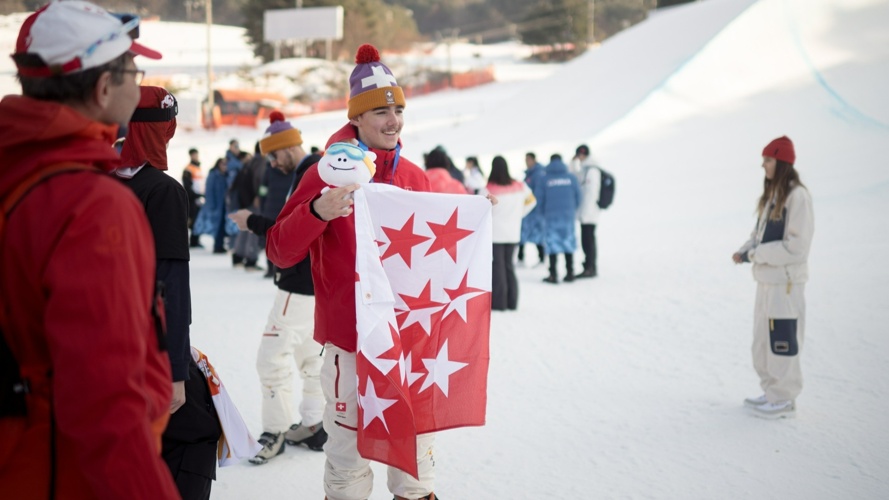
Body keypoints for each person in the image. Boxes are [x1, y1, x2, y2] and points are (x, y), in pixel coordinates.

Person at [0, 3, 179, 498]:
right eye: (132, 70)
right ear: (103, 89)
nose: (137, 82)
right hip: (60, 471)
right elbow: (105, 402)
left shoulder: (17, 167)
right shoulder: (93, 206)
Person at [266, 44, 437, 500]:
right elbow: (279, 251)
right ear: (357, 118)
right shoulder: (326, 174)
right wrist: (317, 211)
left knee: (416, 468)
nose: (393, 121)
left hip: (407, 346)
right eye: (381, 111)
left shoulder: (416, 178)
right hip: (349, 345)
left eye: (398, 109)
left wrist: (472, 225)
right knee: (347, 464)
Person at [117, 86, 222, 499]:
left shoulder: (97, 179)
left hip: (103, 345)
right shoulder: (162, 190)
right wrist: (175, 372)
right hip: (149, 349)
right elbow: (171, 287)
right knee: (198, 430)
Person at [228, 112, 327, 465]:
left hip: (297, 287)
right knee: (309, 358)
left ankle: (275, 430)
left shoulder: (311, 172)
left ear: (286, 147)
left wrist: (251, 222)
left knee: (271, 360)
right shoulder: (311, 171)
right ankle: (315, 424)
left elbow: (297, 230)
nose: (271, 162)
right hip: (313, 284)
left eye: (273, 155)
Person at [733, 136, 813, 419]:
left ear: (781, 163)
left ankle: (784, 399)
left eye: (767, 160)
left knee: (782, 340)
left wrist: (758, 254)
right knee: (761, 341)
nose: (763, 165)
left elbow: (796, 247)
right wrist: (745, 251)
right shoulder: (773, 197)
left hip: (786, 284)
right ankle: (771, 391)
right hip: (766, 280)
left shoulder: (797, 197)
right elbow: (759, 236)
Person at [486, 156, 536, 310]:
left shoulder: (488, 189)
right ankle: (512, 302)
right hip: (513, 233)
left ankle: (499, 303)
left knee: (498, 267)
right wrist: (519, 214)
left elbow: (482, 208)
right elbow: (532, 202)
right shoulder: (520, 186)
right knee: (509, 266)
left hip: (495, 234)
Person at [535, 153, 581, 283]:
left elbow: (539, 199)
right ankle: (570, 273)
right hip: (567, 217)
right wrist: (571, 210)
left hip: (550, 217)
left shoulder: (544, 179)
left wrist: (541, 213)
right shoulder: (571, 178)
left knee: (552, 244)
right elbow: (578, 197)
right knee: (567, 243)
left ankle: (553, 274)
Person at [571, 144, 601, 278]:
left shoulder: (592, 171)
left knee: (588, 241)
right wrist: (573, 162)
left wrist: (585, 213)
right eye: (579, 154)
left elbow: (591, 194)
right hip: (586, 213)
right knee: (586, 240)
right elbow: (573, 176)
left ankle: (591, 267)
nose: (580, 157)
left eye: (582, 154)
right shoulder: (585, 169)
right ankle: (589, 266)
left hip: (589, 214)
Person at [194, 157, 234, 253]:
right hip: (217, 205)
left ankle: (220, 245)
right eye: (223, 164)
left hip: (224, 205)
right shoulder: (213, 175)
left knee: (223, 226)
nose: (225, 166)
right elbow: (209, 191)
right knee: (217, 226)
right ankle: (218, 246)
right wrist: (211, 205)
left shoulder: (227, 175)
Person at [518, 152, 547, 266]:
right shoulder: (529, 174)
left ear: (534, 160)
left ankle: (541, 257)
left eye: (528, 160)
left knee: (537, 234)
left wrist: (536, 208)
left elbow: (538, 194)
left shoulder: (538, 174)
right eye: (525, 160)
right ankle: (521, 257)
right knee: (523, 235)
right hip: (528, 210)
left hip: (534, 211)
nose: (527, 162)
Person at [183, 147, 205, 248]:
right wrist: (195, 195)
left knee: (198, 219)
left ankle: (196, 239)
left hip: (199, 198)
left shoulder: (198, 168)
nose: (196, 157)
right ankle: (191, 240)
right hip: (192, 198)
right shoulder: (188, 169)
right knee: (191, 220)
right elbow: (187, 185)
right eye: (194, 155)